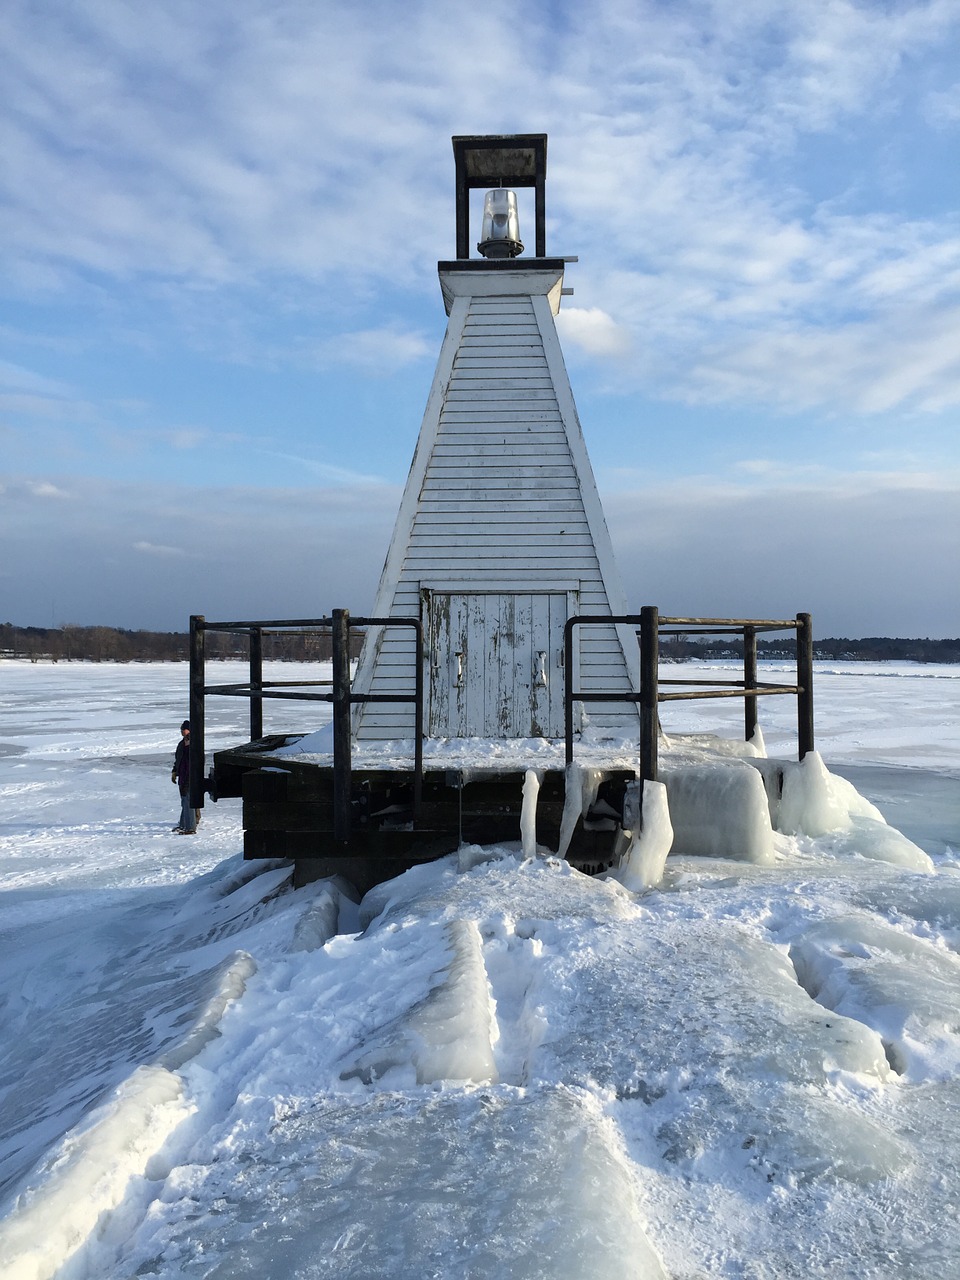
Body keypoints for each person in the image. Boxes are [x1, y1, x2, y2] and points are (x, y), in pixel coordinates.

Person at [171, 720, 198, 834]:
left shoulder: (194, 743)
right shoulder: (182, 744)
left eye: (184, 729)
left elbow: (194, 760)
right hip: (182, 775)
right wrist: (174, 771)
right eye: (181, 729)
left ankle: (190, 827)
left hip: (190, 776)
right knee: (184, 801)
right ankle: (183, 824)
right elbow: (179, 760)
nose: (182, 731)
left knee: (188, 801)